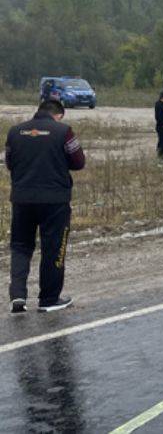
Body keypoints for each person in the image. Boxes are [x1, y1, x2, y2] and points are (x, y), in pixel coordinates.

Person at [6, 99, 85, 313]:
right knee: (53, 247)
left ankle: (18, 296)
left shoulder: (15, 131)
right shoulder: (63, 131)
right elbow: (78, 161)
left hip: (22, 199)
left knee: (21, 246)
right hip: (54, 200)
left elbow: (10, 162)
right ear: (57, 114)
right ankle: (49, 299)